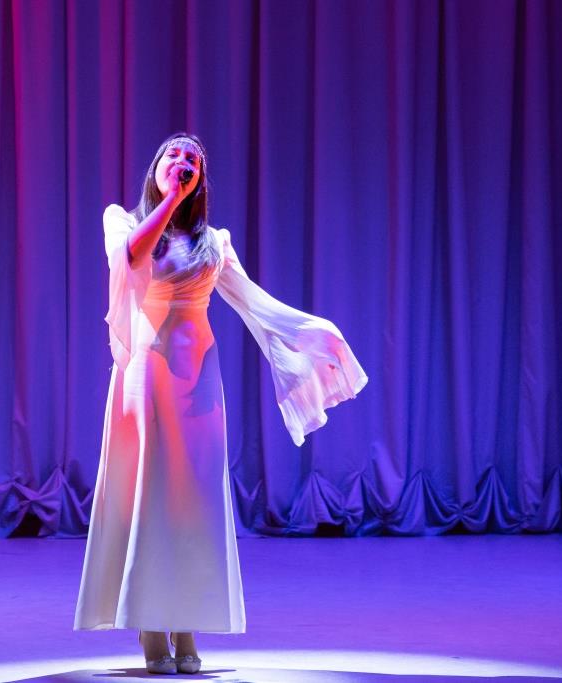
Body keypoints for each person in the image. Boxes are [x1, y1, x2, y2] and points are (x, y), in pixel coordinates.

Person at [73, 132, 368, 675]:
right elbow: (134, 260)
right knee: (149, 495)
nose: (183, 162)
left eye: (193, 159)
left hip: (198, 378)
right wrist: (170, 200)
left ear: (202, 179)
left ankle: (185, 625)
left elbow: (255, 303)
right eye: (174, 155)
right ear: (157, 168)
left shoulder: (215, 242)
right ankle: (149, 626)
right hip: (147, 373)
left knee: (194, 500)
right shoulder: (122, 221)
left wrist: (309, 335)